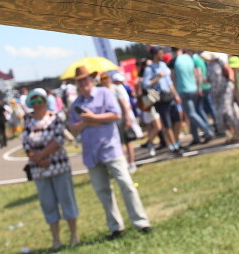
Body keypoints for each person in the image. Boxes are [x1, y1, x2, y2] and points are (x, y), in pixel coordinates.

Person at [66, 65, 152, 238]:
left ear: (92, 79)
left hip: (110, 148)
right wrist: (88, 122)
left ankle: (141, 222)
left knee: (126, 184)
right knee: (103, 191)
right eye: (79, 81)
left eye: (85, 79)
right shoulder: (76, 104)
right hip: (91, 153)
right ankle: (115, 227)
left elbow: (116, 115)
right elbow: (72, 129)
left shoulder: (104, 93)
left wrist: (94, 118)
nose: (83, 83)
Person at [22, 88, 80, 250]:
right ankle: (56, 239)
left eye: (40, 100)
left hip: (59, 166)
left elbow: (59, 138)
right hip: (39, 170)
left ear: (45, 101)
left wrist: (42, 155)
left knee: (66, 199)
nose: (37, 104)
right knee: (48, 203)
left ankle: (74, 235)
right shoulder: (28, 120)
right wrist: (37, 159)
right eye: (34, 101)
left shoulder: (55, 117)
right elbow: (25, 143)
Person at [141, 47, 183, 156]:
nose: (162, 56)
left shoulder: (163, 65)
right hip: (160, 98)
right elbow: (146, 84)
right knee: (167, 123)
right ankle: (174, 146)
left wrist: (175, 95)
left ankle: (176, 141)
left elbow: (169, 82)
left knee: (178, 120)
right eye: (160, 54)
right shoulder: (149, 69)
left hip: (169, 95)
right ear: (155, 55)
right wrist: (157, 78)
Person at [172, 47, 215, 145]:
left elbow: (173, 78)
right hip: (194, 89)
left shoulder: (175, 61)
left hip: (183, 90)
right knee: (195, 112)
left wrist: (175, 93)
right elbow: (198, 74)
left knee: (191, 113)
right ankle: (195, 136)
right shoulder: (190, 58)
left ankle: (208, 131)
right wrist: (199, 87)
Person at [99, 70, 140, 172]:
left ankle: (131, 162)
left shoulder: (116, 89)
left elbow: (123, 104)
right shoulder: (103, 92)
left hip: (121, 119)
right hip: (112, 122)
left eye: (105, 78)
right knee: (118, 144)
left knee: (128, 141)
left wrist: (126, 118)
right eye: (102, 79)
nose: (104, 80)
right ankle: (124, 164)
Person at [202, 51, 239, 142]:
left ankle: (236, 131)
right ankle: (229, 133)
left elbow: (226, 74)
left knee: (227, 111)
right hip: (216, 92)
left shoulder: (219, 63)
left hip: (225, 89)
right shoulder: (209, 65)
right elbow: (212, 78)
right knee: (220, 113)